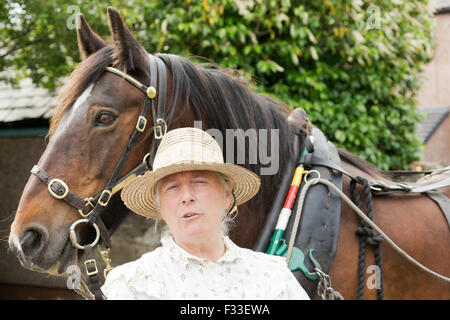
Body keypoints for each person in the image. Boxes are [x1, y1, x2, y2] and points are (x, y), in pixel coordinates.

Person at [101, 127, 310, 300]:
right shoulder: (132, 284)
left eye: (199, 182)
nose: (187, 196)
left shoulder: (273, 276)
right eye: (172, 187)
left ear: (226, 195)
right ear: (160, 208)